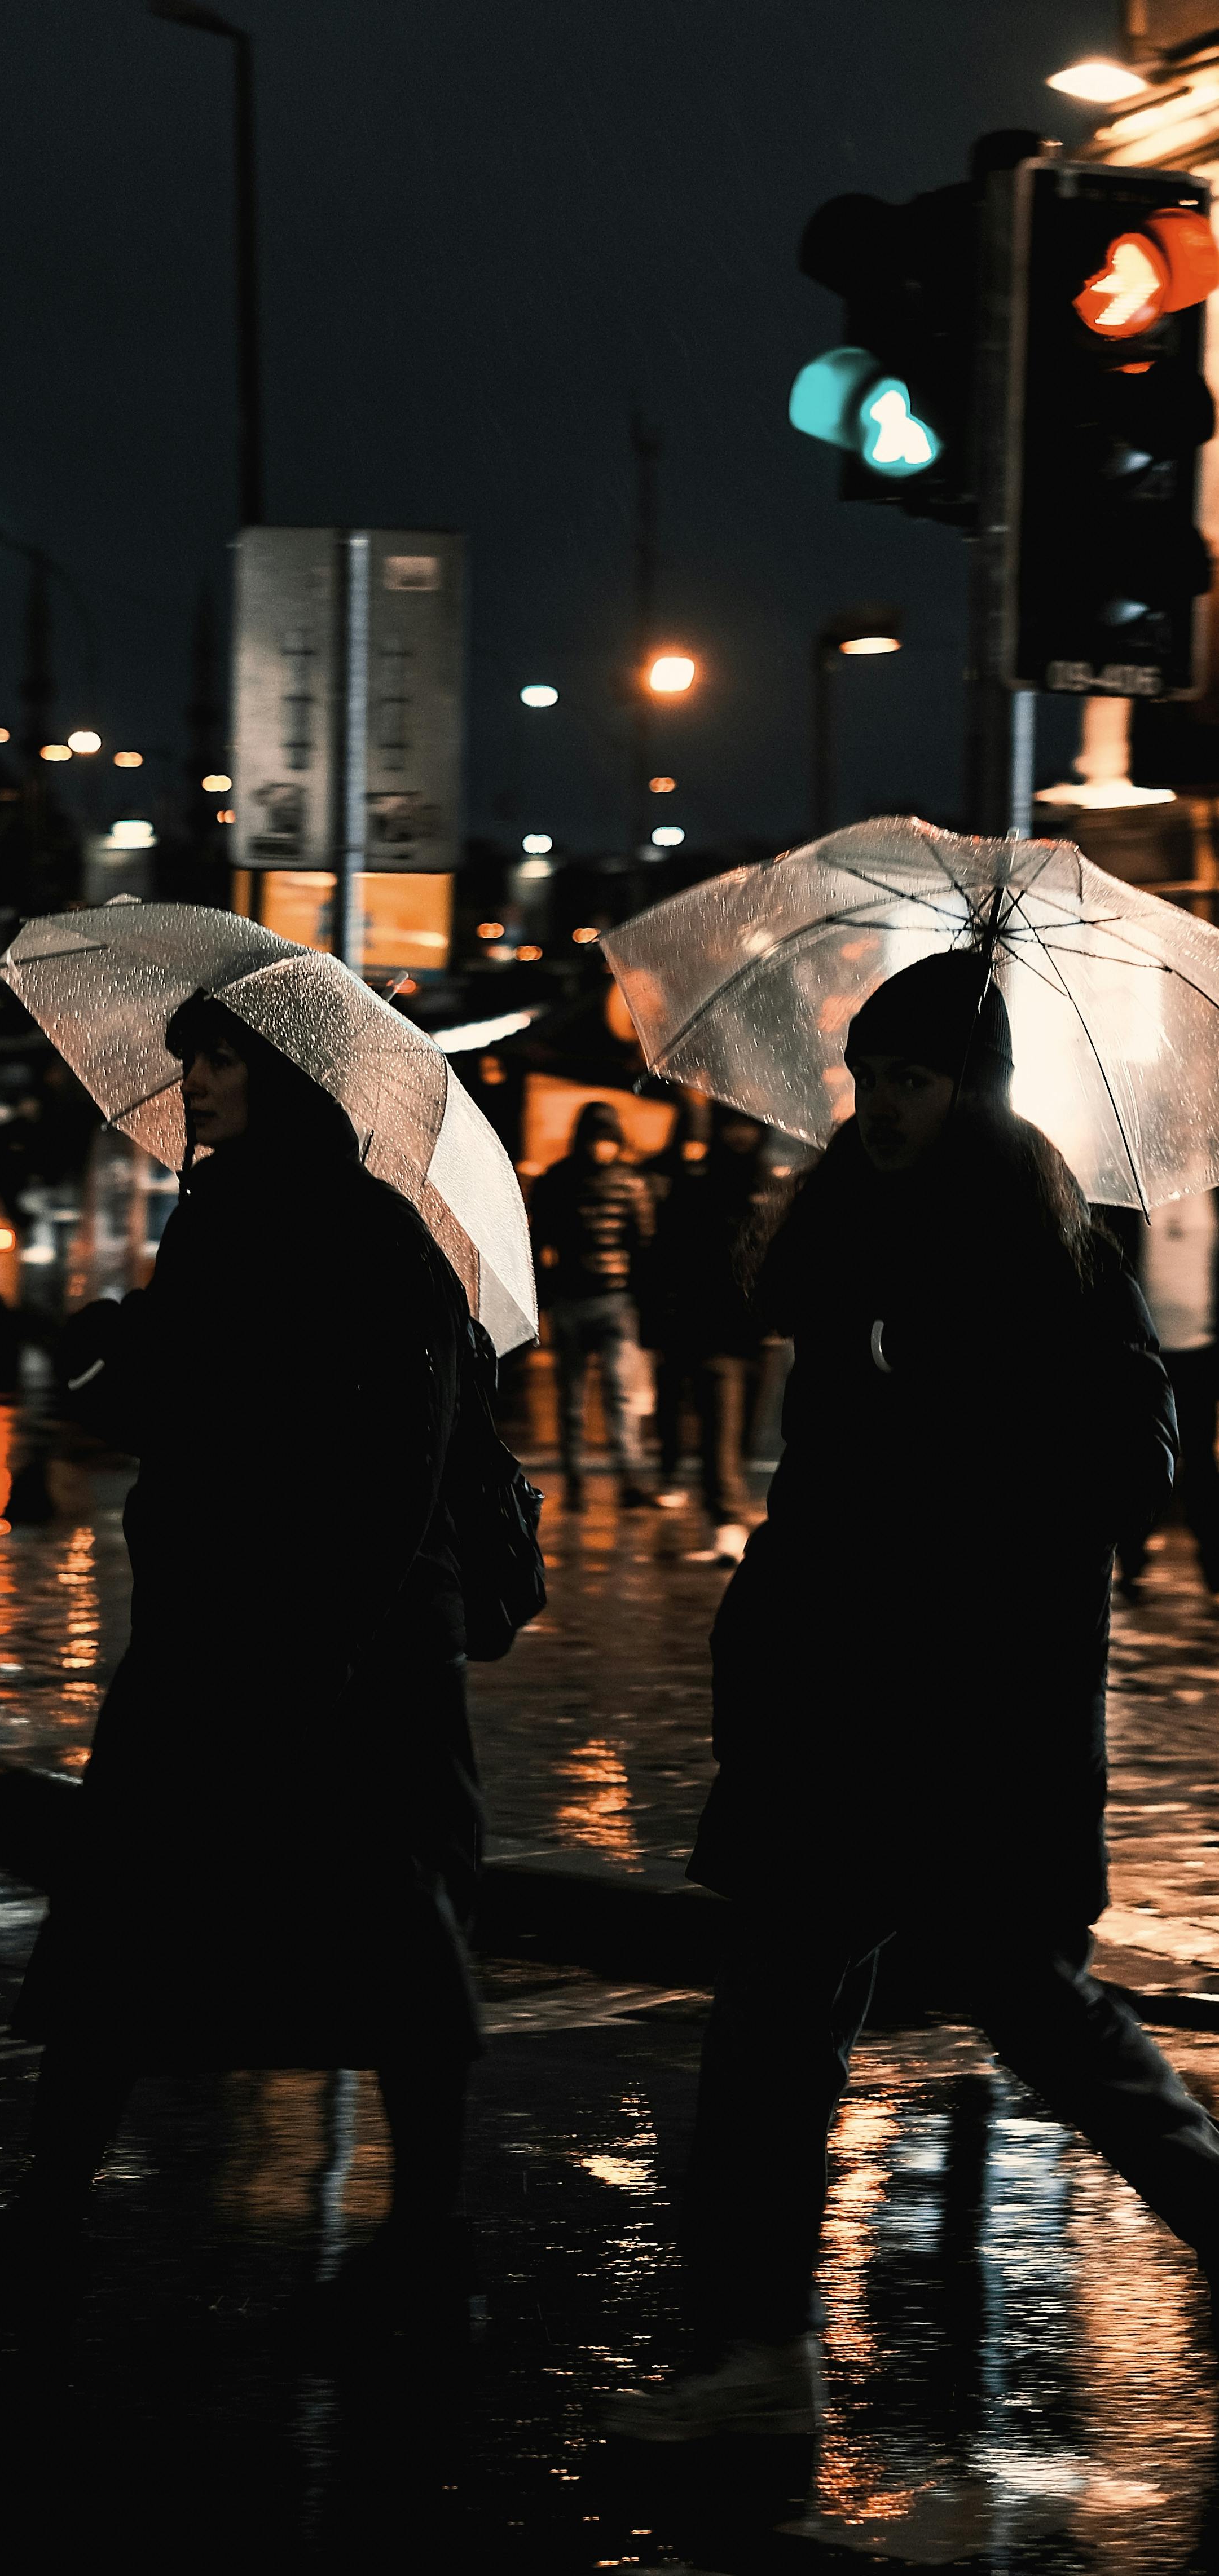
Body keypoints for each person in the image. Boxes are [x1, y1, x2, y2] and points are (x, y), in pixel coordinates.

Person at [606, 950, 1219, 2446]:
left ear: (972, 1088)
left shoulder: (1049, 1248)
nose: (880, 1104)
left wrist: (961, 1382)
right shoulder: (841, 1220)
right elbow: (784, 1377)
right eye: (867, 1075)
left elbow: (1132, 1461)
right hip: (827, 1699)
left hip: (969, 1713)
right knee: (766, 2029)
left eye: (914, 1078)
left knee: (1036, 2008)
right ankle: (755, 2350)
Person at [0, 993, 486, 2324]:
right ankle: (51, 2206)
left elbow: (406, 1460)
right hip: (210, 1633)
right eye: (194, 1053)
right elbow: (179, 1404)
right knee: (124, 1914)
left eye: (225, 1055)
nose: (195, 1077)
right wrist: (105, 1354)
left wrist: (337, 1645)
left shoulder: (372, 1235)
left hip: (340, 1654)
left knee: (395, 1944)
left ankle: (430, 2244)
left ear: (291, 1075)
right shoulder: (221, 1216)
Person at [639, 1104, 776, 1560]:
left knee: (744, 1434)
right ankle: (727, 1519)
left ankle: (728, 1510)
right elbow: (665, 1257)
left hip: (760, 1331)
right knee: (720, 1427)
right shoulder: (696, 1187)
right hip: (710, 1329)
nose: (740, 1136)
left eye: (747, 1126)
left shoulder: (770, 1187)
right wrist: (660, 1323)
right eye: (732, 1126)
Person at [530, 1099, 653, 1511]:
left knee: (585, 1395)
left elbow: (539, 1240)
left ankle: (595, 1478)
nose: (602, 1147)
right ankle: (610, 1477)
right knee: (586, 1396)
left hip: (593, 1300)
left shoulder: (557, 1179)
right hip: (601, 1299)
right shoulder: (629, 1181)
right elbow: (643, 1243)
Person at [1107, 1191, 1219, 1599]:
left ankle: (1212, 1561)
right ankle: (1132, 1555)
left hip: (1199, 1347)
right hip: (1148, 1348)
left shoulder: (1211, 1196)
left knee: (1199, 1457)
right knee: (1141, 1454)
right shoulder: (1138, 1197)